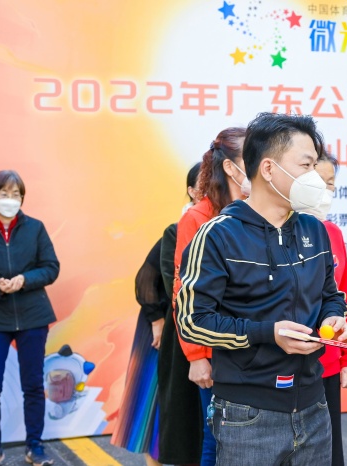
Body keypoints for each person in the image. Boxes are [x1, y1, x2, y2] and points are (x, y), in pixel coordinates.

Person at [177, 112, 347, 466]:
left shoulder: (314, 230)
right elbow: (192, 322)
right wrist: (268, 333)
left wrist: (333, 318)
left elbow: (331, 296)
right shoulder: (217, 235)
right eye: (306, 165)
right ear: (269, 169)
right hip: (248, 415)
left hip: (313, 406)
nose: (314, 177)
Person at [0, 170, 59, 466]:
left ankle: (35, 445)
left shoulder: (36, 228)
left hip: (33, 316)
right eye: (4, 194)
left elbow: (51, 267)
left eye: (16, 194)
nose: (10, 199)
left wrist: (24, 280)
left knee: (32, 384)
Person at [171, 128, 249, 466]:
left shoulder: (258, 210)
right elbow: (184, 293)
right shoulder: (198, 217)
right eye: (252, 156)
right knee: (216, 437)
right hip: (215, 347)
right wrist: (197, 356)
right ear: (230, 167)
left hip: (253, 342)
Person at [302, 152, 347, 466]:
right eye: (318, 183)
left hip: (328, 364)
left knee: (328, 452)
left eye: (330, 185)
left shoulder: (333, 233)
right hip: (287, 367)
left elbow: (345, 300)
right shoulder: (274, 232)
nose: (325, 192)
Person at [157, 162, 205, 466]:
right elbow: (170, 285)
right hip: (185, 335)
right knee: (186, 419)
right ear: (191, 191)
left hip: (216, 337)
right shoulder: (177, 231)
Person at [111, 237, 170, 465]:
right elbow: (145, 278)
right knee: (151, 401)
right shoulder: (175, 233)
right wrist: (156, 320)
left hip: (187, 327)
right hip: (159, 324)